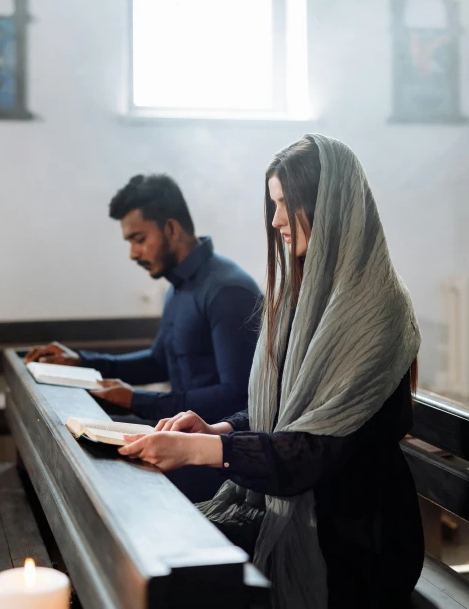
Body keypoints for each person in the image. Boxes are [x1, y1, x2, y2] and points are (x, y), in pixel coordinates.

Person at [118, 136, 424, 609]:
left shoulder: (378, 311)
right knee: (151, 553)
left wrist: (198, 449)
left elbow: (314, 451)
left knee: (172, 571)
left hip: (359, 537)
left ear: (330, 205)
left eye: (287, 204)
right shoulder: (305, 298)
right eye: (274, 203)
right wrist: (218, 427)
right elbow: (284, 411)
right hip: (310, 513)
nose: (276, 219)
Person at [25, 174, 262, 425]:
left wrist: (136, 400)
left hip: (217, 447)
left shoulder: (226, 291)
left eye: (139, 240)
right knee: (67, 423)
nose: (133, 254)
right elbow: (158, 362)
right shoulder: (180, 285)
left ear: (171, 229)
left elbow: (238, 396)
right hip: (180, 430)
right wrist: (81, 361)